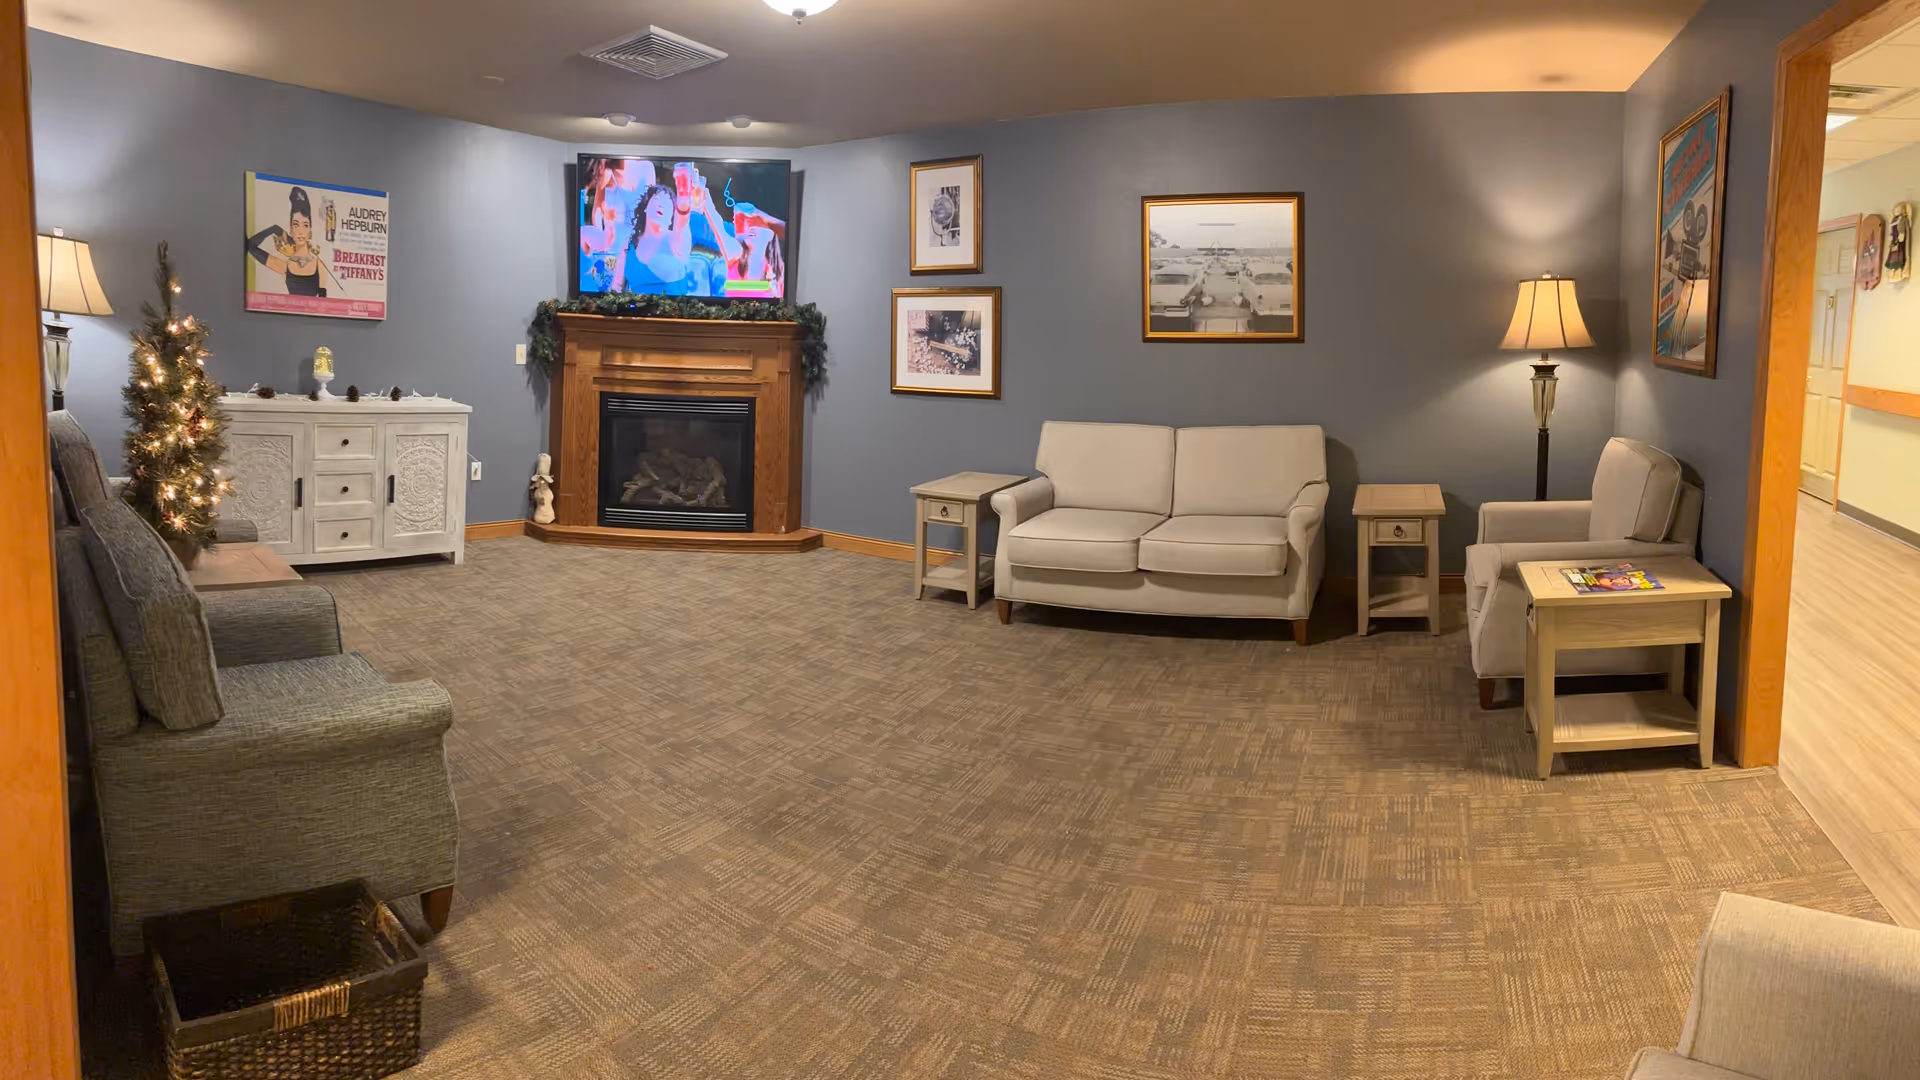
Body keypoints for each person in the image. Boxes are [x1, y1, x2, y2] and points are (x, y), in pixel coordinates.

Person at [245, 186, 327, 297]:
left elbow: (323, 305)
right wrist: (274, 229)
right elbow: (250, 246)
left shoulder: (319, 265)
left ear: (310, 230)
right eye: (296, 225)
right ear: (291, 229)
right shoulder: (284, 266)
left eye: (305, 225)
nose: (300, 231)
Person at [614, 184, 693, 295]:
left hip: (671, 310)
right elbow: (616, 287)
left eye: (668, 203)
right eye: (657, 199)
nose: (661, 204)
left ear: (671, 219)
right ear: (646, 207)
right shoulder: (629, 243)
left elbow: (683, 222)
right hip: (635, 310)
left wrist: (684, 196)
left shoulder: (676, 240)